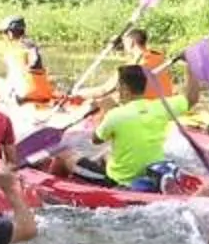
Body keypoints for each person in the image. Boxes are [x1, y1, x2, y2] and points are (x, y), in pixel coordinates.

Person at [49, 63, 190, 186]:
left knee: (63, 153)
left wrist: (105, 111)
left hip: (116, 181)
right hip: (149, 172)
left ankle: (54, 188)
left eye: (118, 87)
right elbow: (192, 98)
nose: (117, 90)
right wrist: (190, 67)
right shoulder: (161, 106)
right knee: (106, 154)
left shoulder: (115, 115)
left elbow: (95, 139)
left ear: (125, 89)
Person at [0, 16, 61, 107]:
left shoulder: (10, 48)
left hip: (21, 95)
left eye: (3, 33)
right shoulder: (31, 46)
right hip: (42, 94)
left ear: (10, 33)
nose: (2, 36)